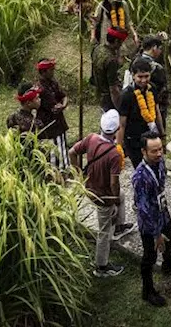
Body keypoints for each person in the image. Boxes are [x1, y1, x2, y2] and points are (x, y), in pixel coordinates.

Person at [132, 134, 171, 306]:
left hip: (162, 210)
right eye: (154, 151)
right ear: (143, 151)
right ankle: (148, 290)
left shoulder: (159, 162)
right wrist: (156, 234)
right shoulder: (140, 177)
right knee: (149, 256)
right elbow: (143, 210)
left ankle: (168, 262)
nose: (159, 153)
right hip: (149, 220)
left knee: (170, 235)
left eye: (160, 149)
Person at [69, 110, 128, 278]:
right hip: (104, 196)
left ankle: (120, 226)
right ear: (117, 130)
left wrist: (78, 175)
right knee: (103, 231)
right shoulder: (114, 154)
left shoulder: (91, 138)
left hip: (90, 188)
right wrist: (114, 198)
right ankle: (101, 266)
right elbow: (113, 183)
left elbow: (72, 152)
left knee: (122, 196)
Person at [116, 58, 166, 168]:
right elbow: (122, 124)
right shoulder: (127, 95)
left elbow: (156, 112)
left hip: (150, 136)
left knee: (157, 166)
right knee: (141, 168)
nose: (143, 80)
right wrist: (119, 147)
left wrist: (162, 134)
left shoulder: (152, 89)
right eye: (140, 77)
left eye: (146, 76)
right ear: (133, 75)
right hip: (134, 140)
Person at [35, 59, 70, 169]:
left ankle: (64, 169)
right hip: (48, 124)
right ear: (44, 72)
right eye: (51, 70)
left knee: (62, 147)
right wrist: (60, 106)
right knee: (53, 152)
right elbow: (53, 106)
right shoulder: (40, 88)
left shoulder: (53, 83)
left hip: (58, 122)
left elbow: (63, 96)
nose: (53, 72)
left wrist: (63, 105)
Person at [126, 34, 169, 100]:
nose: (160, 51)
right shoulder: (156, 67)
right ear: (154, 48)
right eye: (160, 48)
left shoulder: (134, 61)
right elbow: (162, 90)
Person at [93, 30, 125, 113]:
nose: (121, 45)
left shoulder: (97, 49)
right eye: (121, 43)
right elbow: (113, 89)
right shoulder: (111, 61)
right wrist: (119, 107)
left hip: (99, 93)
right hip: (109, 98)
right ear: (116, 41)